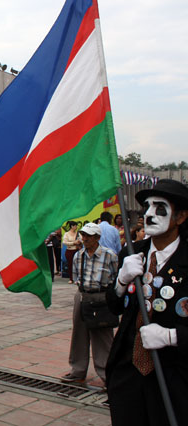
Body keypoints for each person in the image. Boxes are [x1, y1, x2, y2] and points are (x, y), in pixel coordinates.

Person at [106, 179, 188, 425]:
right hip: (127, 369)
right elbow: (114, 306)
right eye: (147, 207)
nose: (149, 214)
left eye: (160, 208)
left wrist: (172, 336)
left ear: (181, 216)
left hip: (174, 374)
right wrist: (121, 282)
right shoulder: (132, 252)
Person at [61, 223, 117, 385]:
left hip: (101, 297)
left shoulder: (110, 255)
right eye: (83, 235)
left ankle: (108, 375)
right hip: (82, 295)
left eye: (89, 236)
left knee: (103, 337)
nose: (84, 238)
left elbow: (115, 278)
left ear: (97, 238)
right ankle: (77, 371)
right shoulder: (79, 255)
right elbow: (76, 276)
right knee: (79, 334)